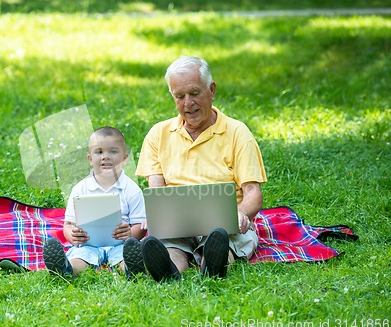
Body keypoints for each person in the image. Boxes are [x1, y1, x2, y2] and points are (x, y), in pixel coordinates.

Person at [124, 56, 267, 282]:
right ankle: (170, 271)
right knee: (170, 245)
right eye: (179, 96)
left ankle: (214, 264)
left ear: (211, 90)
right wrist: (156, 217)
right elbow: (157, 191)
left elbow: (253, 193)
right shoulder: (158, 134)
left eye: (194, 93)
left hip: (223, 223)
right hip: (178, 222)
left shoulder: (238, 133)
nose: (187, 103)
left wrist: (240, 214)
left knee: (221, 239)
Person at [43, 126, 146, 278]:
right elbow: (68, 224)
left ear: (125, 158)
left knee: (125, 258)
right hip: (88, 244)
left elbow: (141, 226)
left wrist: (130, 233)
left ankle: (133, 270)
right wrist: (72, 235)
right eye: (99, 152)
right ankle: (65, 269)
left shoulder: (132, 189)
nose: (106, 157)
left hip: (120, 244)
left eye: (113, 151)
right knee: (80, 258)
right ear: (90, 159)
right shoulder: (80, 189)